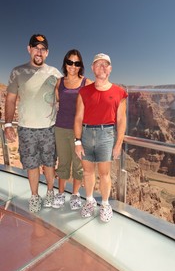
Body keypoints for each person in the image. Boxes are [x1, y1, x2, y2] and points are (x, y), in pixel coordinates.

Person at [4, 34, 62, 213]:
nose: (39, 51)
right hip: (27, 129)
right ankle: (35, 196)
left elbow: (68, 92)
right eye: (35, 48)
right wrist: (7, 124)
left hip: (49, 128)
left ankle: (50, 193)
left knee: (50, 163)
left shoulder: (54, 73)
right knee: (31, 165)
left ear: (47, 52)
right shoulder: (17, 72)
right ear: (29, 49)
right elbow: (11, 100)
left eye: (42, 49)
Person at [74, 53, 128, 222]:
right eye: (98, 64)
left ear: (110, 69)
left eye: (106, 65)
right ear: (92, 68)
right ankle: (89, 201)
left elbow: (121, 120)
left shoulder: (120, 92)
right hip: (86, 133)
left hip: (107, 134)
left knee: (104, 173)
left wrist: (118, 143)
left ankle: (104, 204)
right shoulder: (83, 92)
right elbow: (78, 117)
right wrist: (77, 141)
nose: (102, 68)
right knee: (88, 172)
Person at [52, 49, 92, 210]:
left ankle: (75, 195)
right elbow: (52, 101)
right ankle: (60, 194)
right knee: (63, 162)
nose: (73, 66)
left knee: (78, 165)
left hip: (79, 131)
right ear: (65, 63)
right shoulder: (59, 82)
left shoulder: (86, 83)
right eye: (70, 62)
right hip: (60, 128)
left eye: (76, 63)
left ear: (80, 65)